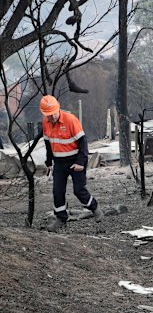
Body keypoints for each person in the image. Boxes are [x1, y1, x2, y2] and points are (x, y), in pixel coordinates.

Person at [40, 95, 103, 232]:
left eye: (52, 115)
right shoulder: (46, 123)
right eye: (48, 116)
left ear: (58, 109)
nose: (51, 118)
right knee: (57, 191)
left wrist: (80, 162)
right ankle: (61, 218)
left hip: (75, 160)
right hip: (59, 162)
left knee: (79, 190)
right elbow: (47, 144)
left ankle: (94, 207)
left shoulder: (71, 120)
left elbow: (83, 143)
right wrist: (49, 162)